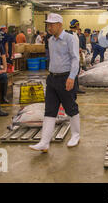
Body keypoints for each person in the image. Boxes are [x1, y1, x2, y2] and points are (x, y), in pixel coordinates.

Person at [29, 13, 80, 152]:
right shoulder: (50, 40)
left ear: (59, 25)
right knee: (50, 110)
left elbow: (76, 59)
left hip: (66, 78)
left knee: (70, 108)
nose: (49, 27)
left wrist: (72, 77)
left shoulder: (70, 38)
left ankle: (76, 135)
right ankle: (44, 142)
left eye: (51, 24)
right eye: (48, 25)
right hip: (52, 78)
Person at [67, 19, 85, 94]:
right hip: (72, 57)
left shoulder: (76, 34)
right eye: (78, 25)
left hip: (76, 56)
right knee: (73, 72)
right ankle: (73, 88)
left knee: (76, 72)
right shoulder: (69, 34)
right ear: (76, 25)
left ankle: (76, 88)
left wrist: (79, 49)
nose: (79, 26)